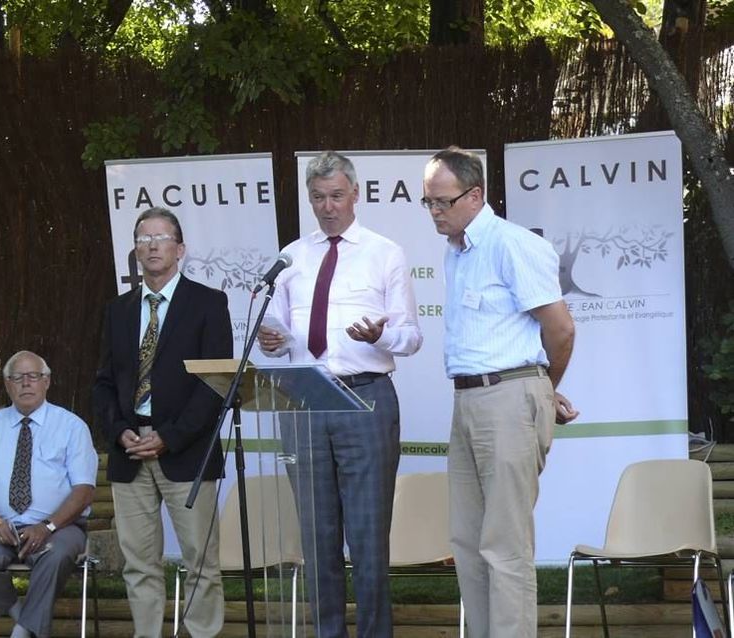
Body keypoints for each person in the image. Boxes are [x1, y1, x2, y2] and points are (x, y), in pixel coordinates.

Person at [257, 150, 423, 637]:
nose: (327, 207)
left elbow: (412, 337)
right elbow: (282, 331)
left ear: (355, 194)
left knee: (368, 537)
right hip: (304, 401)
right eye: (317, 198)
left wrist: (381, 337)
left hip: (366, 398)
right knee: (317, 535)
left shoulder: (384, 253)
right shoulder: (292, 256)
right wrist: (273, 338)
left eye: (335, 196)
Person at [422, 146, 578, 638]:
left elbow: (561, 330)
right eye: (428, 202)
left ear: (475, 196)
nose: (434, 212)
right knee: (467, 542)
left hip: (509, 398)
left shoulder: (511, 244)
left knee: (505, 545)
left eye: (442, 201)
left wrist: (540, 388)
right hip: (467, 398)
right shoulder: (457, 253)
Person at [92, 207, 233, 638]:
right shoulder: (117, 310)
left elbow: (216, 384)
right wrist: (120, 431)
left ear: (180, 249)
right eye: (143, 238)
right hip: (130, 452)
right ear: (135, 251)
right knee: (139, 564)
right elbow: (103, 384)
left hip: (186, 453)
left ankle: (202, 633)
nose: (152, 245)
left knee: (202, 563)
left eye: (161, 237)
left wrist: (168, 438)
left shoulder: (208, 303)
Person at [0, 350, 98, 638]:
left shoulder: (72, 427)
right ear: (7, 385)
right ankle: (22, 618)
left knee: (56, 555)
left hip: (60, 526)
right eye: (17, 378)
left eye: (33, 376)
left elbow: (84, 490)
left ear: (46, 382)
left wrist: (47, 526)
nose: (26, 383)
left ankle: (22, 632)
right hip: (2, 526)